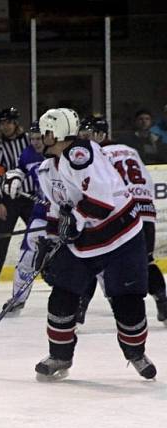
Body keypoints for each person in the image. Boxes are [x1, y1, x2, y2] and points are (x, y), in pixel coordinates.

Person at [33, 107, 155, 381]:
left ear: (59, 132)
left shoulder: (81, 155)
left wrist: (74, 220)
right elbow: (58, 210)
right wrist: (53, 240)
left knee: (128, 301)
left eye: (46, 132)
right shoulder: (47, 168)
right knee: (62, 297)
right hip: (83, 245)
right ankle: (60, 356)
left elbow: (102, 202)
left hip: (121, 238)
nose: (41, 137)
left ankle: (136, 353)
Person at [74, 115, 167, 324]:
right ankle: (163, 302)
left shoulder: (96, 154)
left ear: (100, 135)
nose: (84, 139)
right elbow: (148, 182)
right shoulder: (130, 150)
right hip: (145, 209)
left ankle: (78, 311)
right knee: (146, 260)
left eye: (88, 135)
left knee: (92, 257)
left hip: (121, 212)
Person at [0, 107, 33, 292]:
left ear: (15, 123)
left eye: (8, 122)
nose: (5, 127)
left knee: (43, 235)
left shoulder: (30, 141)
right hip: (9, 200)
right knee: (0, 238)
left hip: (32, 198)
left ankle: (52, 272)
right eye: (2, 123)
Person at [0, 121, 47, 314]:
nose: (35, 142)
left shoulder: (62, 154)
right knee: (27, 255)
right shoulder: (28, 153)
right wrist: (15, 178)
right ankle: (18, 298)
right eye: (32, 138)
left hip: (67, 215)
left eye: (39, 138)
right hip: (41, 213)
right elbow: (19, 168)